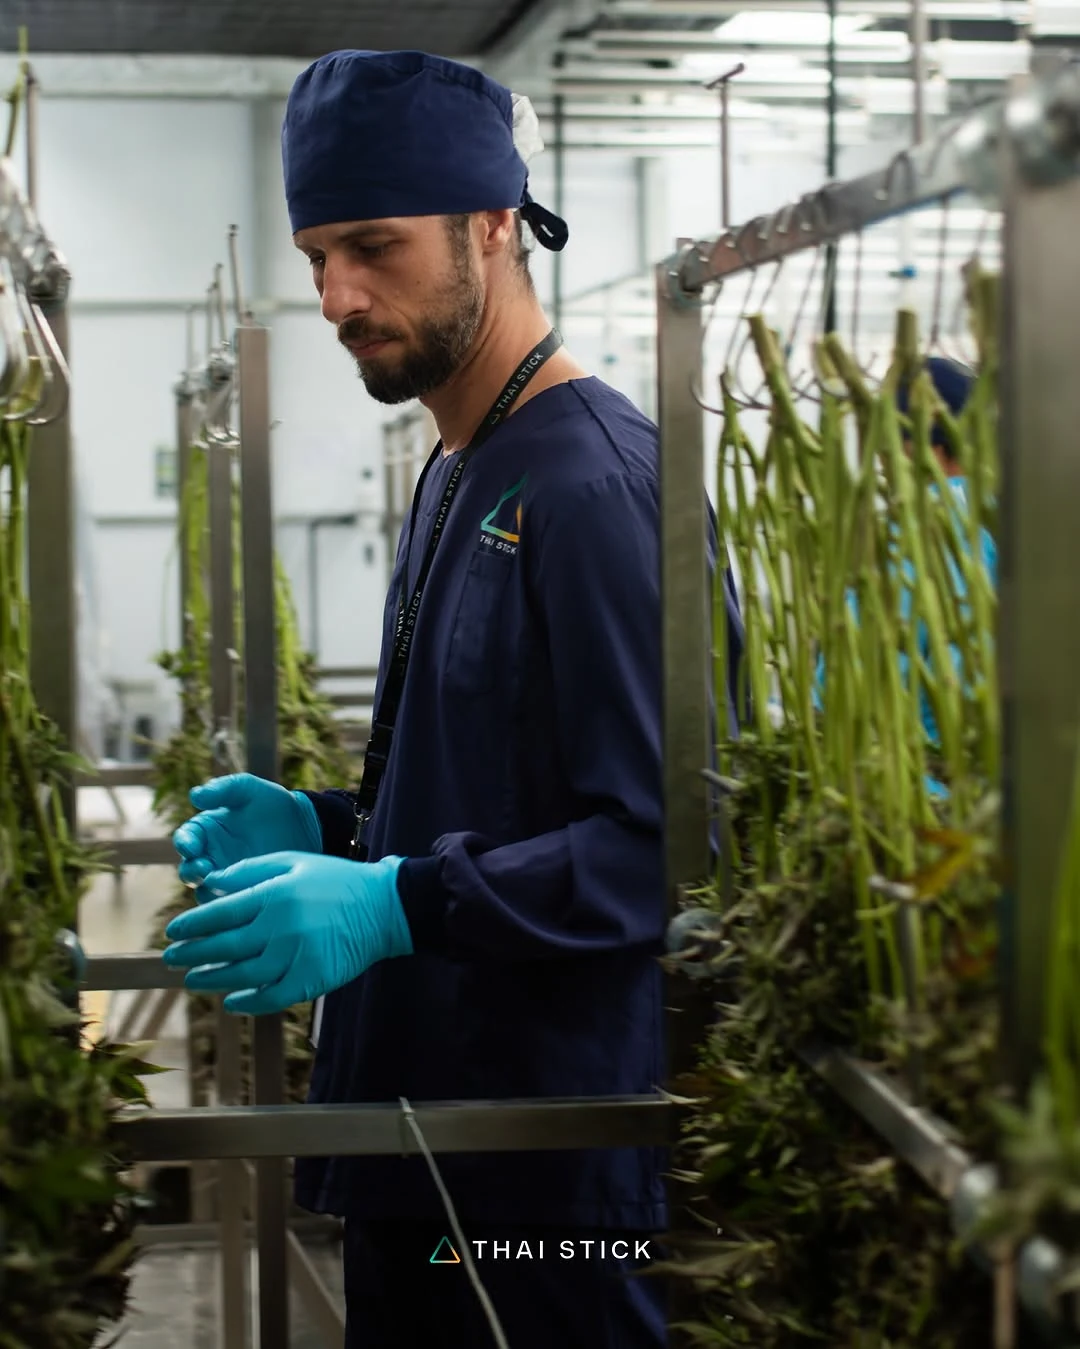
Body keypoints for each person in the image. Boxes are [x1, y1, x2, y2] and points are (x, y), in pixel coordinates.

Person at [161, 49, 745, 1349]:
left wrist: (402, 901)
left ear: (494, 223)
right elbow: (498, 773)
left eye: (375, 246)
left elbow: (676, 845)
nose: (338, 296)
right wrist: (334, 826)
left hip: (547, 1163)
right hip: (421, 1134)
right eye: (319, 256)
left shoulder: (596, 487)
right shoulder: (459, 465)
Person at [814, 355, 997, 783]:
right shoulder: (1014, 519)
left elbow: (848, 688)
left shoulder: (916, 534)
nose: (880, 457)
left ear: (926, 446)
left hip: (925, 792)